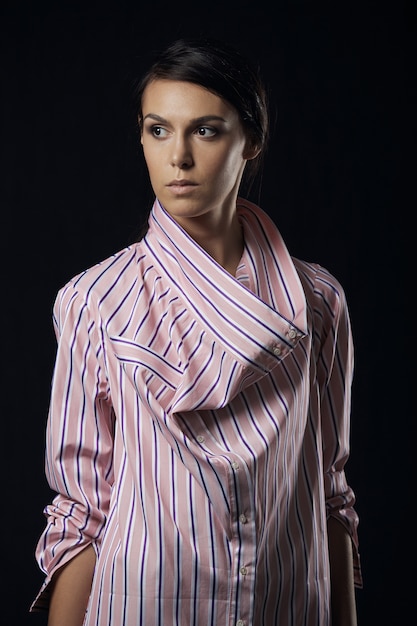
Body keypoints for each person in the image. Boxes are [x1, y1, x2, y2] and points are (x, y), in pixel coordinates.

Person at [31, 37, 362, 626]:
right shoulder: (95, 301)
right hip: (143, 604)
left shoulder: (318, 302)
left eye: (205, 131)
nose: (177, 156)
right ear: (140, 137)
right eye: (159, 130)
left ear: (251, 141)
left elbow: (331, 494)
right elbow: (82, 511)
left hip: (286, 605)